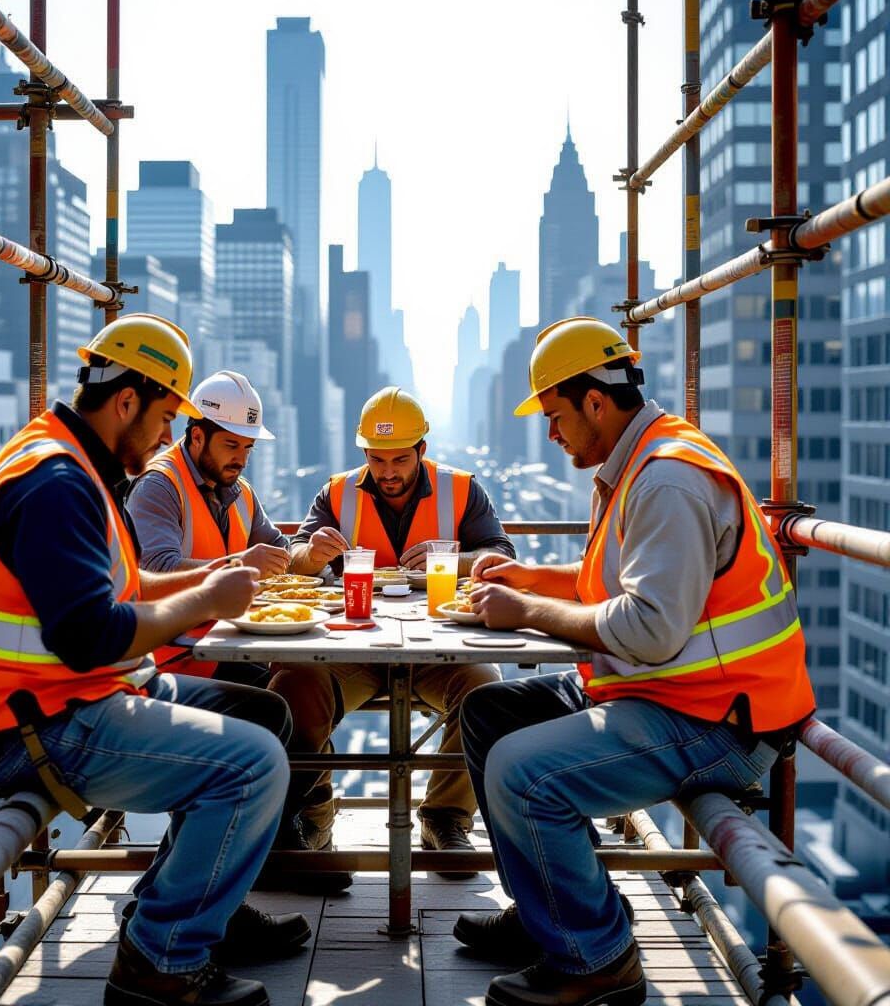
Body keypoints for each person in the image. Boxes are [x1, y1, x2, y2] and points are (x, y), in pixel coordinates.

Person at [0, 314, 310, 1006]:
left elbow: (129, 588)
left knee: (261, 711)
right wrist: (207, 596)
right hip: (40, 727)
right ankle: (159, 963)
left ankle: (179, 908)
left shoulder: (72, 464)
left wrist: (218, 581)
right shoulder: (57, 483)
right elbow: (94, 635)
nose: (169, 436)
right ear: (126, 401)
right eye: (167, 417)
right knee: (252, 764)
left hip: (65, 699)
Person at [450, 318, 816, 1006]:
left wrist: (525, 613)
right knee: (490, 712)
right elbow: (617, 588)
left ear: (595, 401)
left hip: (720, 721)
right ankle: (547, 917)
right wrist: (528, 579)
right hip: (671, 695)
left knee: (521, 772)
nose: (551, 435)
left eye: (556, 416)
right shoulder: (637, 463)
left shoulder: (665, 480)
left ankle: (596, 961)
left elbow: (648, 628)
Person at [267, 386, 516, 889]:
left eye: (400, 458)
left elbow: (501, 557)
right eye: (377, 460)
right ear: (363, 454)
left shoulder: (463, 490)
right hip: (351, 645)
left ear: (422, 449)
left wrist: (455, 560)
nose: (388, 472)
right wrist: (312, 555)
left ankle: (444, 819)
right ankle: (310, 823)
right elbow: (293, 559)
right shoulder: (336, 493)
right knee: (293, 684)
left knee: (484, 689)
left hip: (436, 648)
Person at [127, 370, 291, 684]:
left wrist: (310, 556)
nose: (241, 459)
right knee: (284, 699)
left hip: (223, 643)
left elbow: (278, 550)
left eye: (248, 448)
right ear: (197, 436)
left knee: (305, 682)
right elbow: (156, 572)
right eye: (231, 445)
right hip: (173, 658)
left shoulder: (239, 490)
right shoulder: (158, 486)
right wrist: (238, 565)